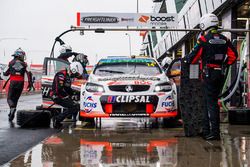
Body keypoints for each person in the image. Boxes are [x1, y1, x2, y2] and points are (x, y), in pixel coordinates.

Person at [184, 13, 238, 140]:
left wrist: (187, 61)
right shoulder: (225, 39)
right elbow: (234, 56)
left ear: (204, 24)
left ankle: (215, 133)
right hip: (220, 74)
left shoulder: (203, 40)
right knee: (208, 102)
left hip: (208, 75)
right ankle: (206, 130)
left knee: (211, 103)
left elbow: (192, 58)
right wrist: (224, 63)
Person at [3, 48, 33, 121]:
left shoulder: (10, 63)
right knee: (15, 99)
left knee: (9, 98)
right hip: (21, 83)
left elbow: (5, 73)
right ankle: (11, 114)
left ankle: (12, 109)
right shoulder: (25, 64)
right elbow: (29, 74)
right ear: (20, 56)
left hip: (13, 82)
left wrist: (11, 71)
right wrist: (30, 84)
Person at [51, 61, 83, 128]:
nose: (75, 76)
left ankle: (72, 119)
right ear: (73, 70)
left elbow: (68, 89)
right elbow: (59, 89)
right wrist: (67, 96)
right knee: (74, 106)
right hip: (57, 96)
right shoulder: (61, 74)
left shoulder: (67, 76)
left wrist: (75, 94)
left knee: (76, 105)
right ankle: (57, 119)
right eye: (76, 74)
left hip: (62, 96)